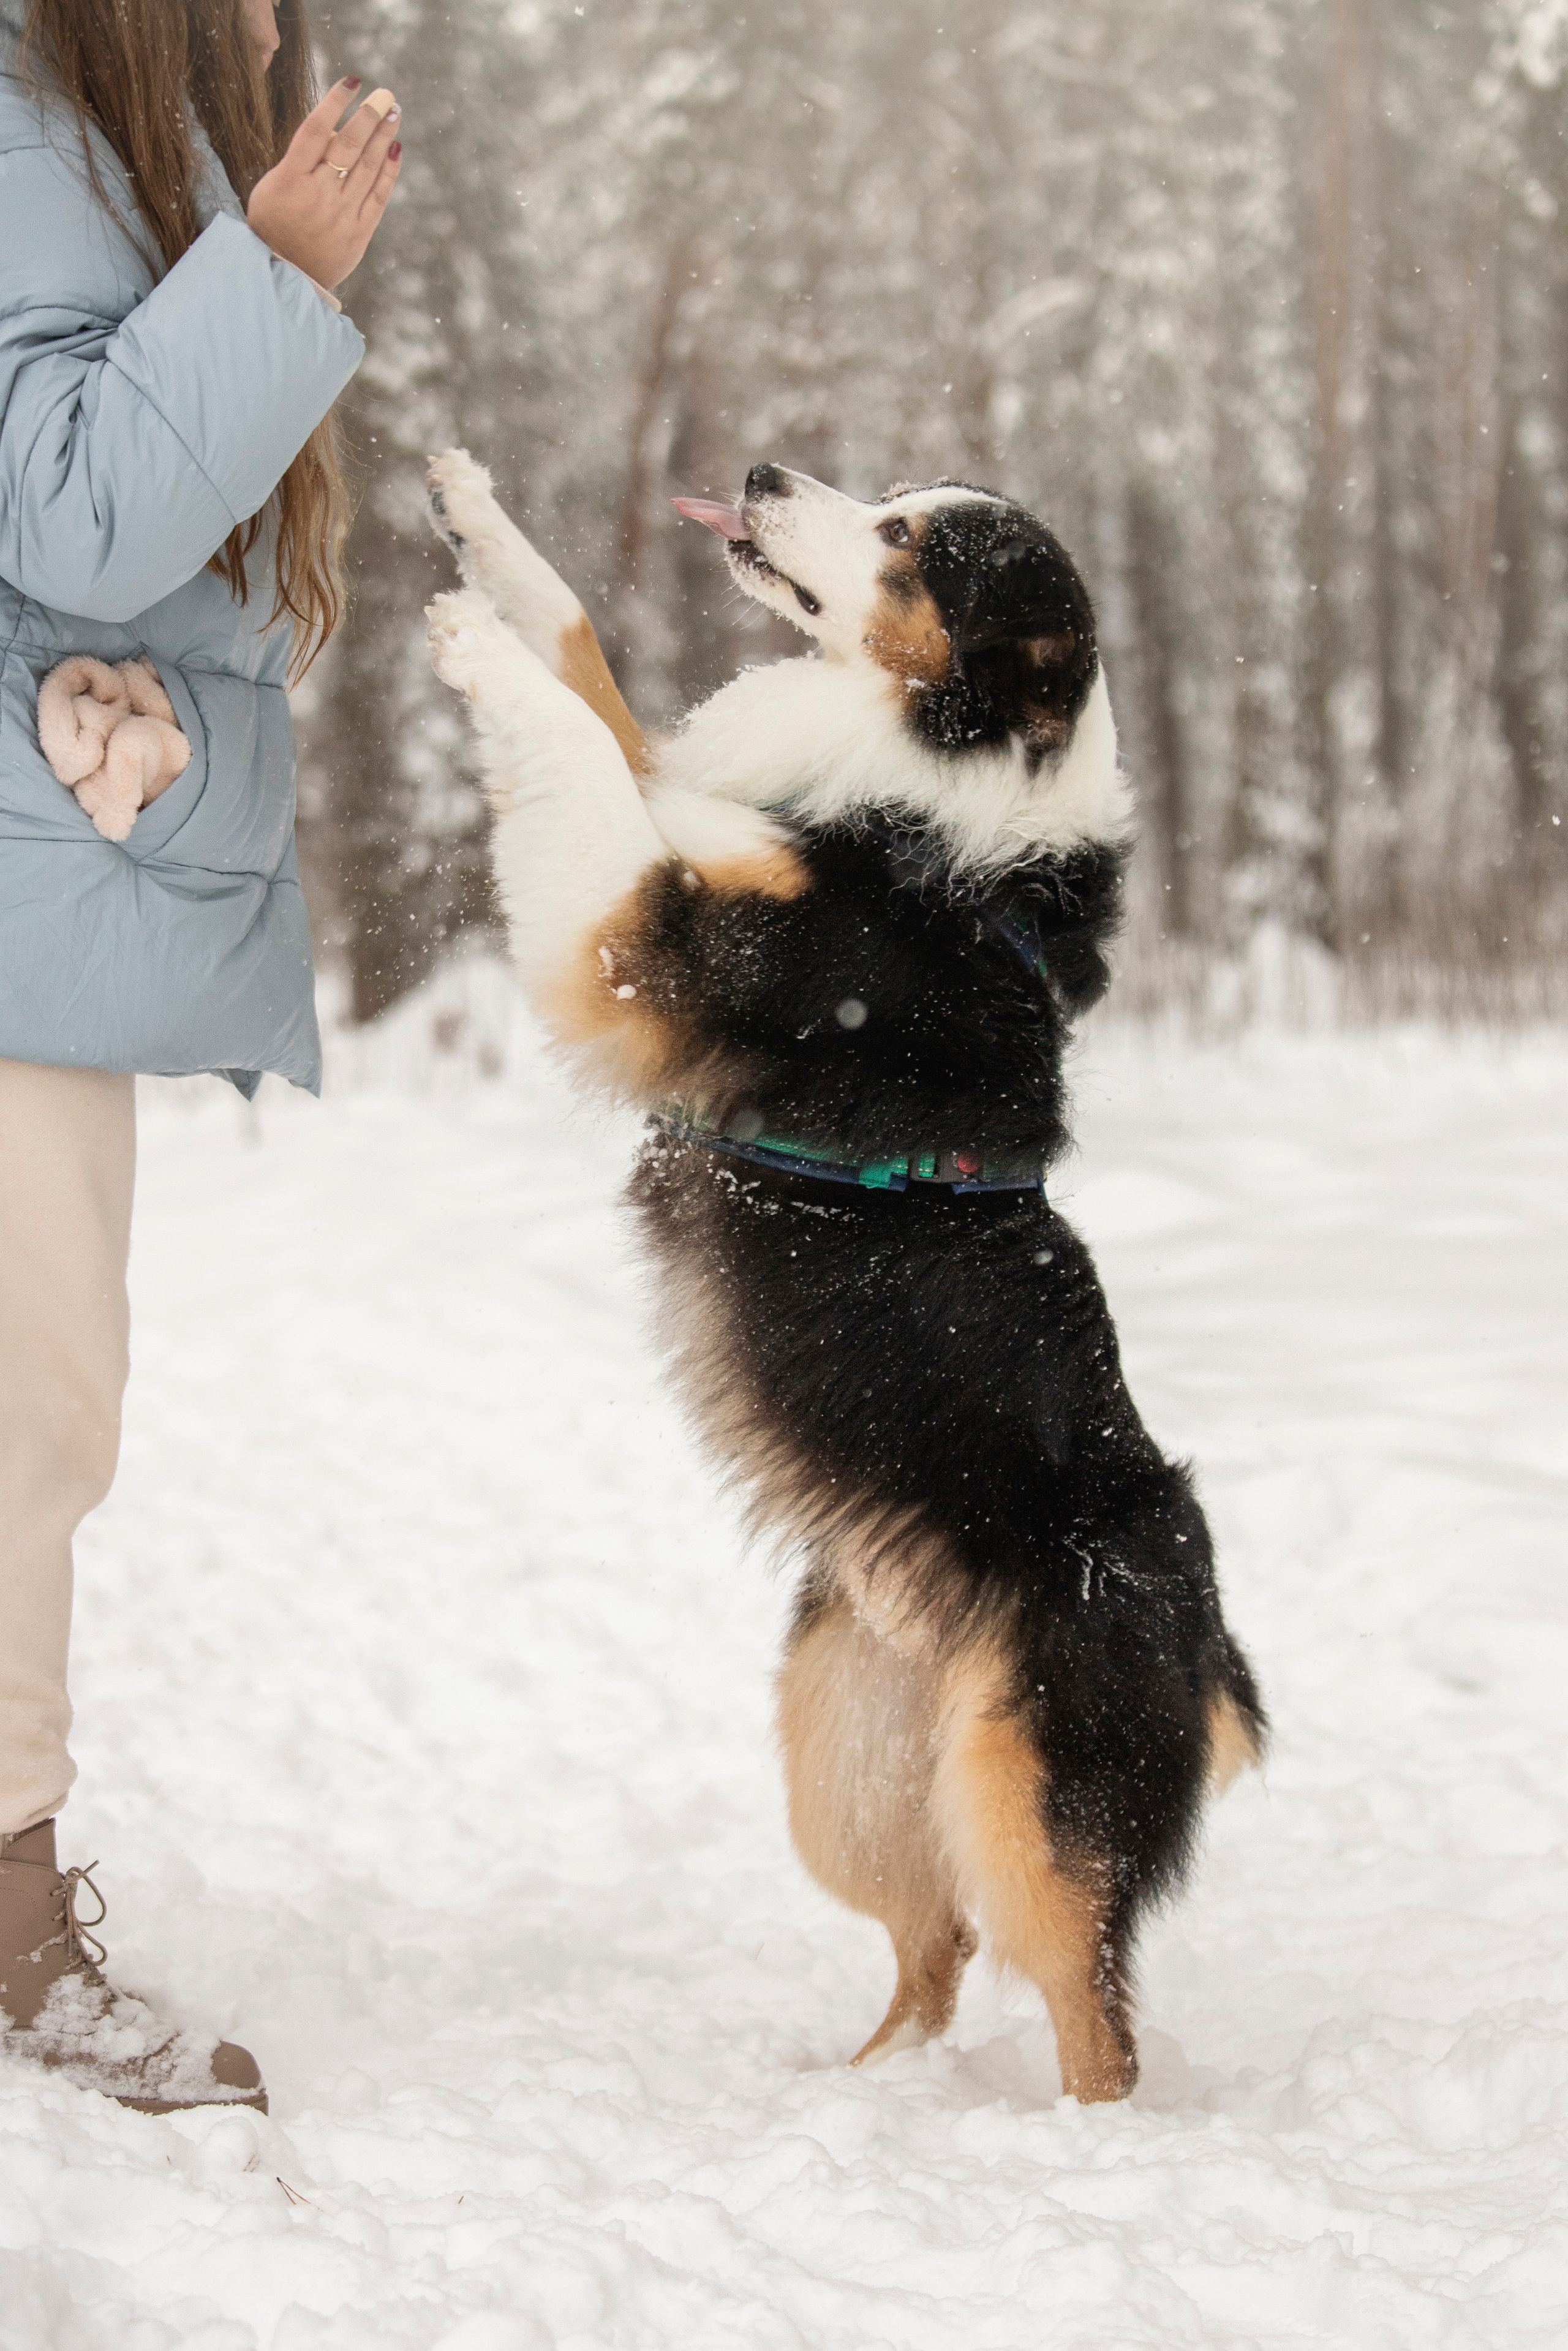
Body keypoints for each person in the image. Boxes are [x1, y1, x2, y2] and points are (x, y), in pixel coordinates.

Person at [0, 0, 403, 2115]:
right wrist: (269, 286)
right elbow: (69, 520)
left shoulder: (92, 138)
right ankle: (5, 1935)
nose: (268, 9)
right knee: (18, 1420)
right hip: (12, 912)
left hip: (48, 880)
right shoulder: (18, 128)